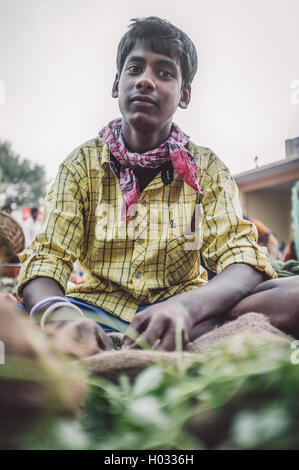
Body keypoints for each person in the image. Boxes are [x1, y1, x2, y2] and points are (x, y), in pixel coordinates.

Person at [17, 17, 299, 357]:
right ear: (116, 83)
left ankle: (167, 331)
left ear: (185, 94)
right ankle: (107, 337)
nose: (146, 81)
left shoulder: (206, 169)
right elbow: (46, 260)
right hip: (94, 312)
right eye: (135, 69)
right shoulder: (80, 166)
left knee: (291, 294)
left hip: (189, 313)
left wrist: (186, 309)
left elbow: (241, 259)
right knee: (14, 319)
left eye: (164, 73)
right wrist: (63, 319)